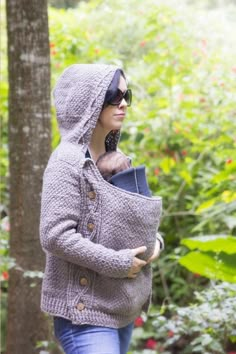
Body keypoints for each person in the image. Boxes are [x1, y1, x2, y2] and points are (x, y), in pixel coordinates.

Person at [39, 64, 164, 354]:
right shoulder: (67, 162)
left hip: (119, 307)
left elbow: (139, 223)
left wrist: (155, 243)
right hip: (83, 314)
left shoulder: (118, 160)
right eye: (113, 96)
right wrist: (118, 263)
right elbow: (54, 235)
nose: (123, 103)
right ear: (90, 101)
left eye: (126, 95)